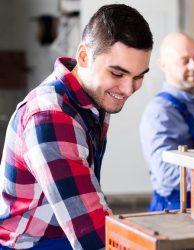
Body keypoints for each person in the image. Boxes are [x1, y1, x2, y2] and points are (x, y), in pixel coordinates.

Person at [0, 4, 153, 250]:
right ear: (83, 56)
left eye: (138, 77)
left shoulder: (91, 99)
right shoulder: (50, 117)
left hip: (62, 237)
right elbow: (92, 237)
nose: (128, 89)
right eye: (117, 74)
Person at [139, 32, 194, 212]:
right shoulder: (160, 112)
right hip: (177, 207)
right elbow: (166, 172)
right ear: (163, 65)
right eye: (184, 60)